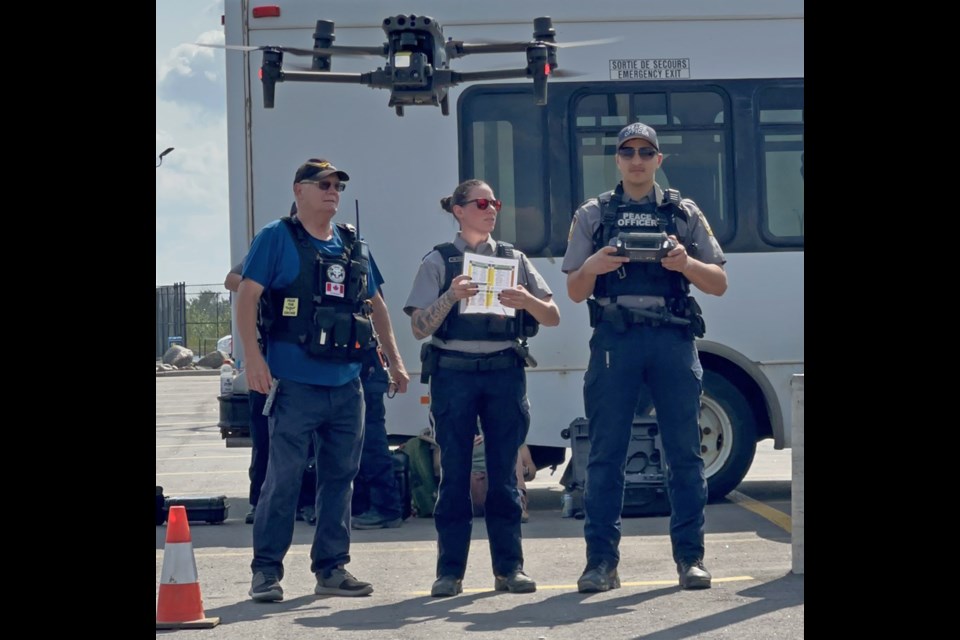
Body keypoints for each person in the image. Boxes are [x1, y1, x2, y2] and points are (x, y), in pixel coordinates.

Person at [561, 122, 728, 592]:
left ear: (659, 160)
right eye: (628, 152)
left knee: (685, 456)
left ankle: (690, 560)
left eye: (645, 152)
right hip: (616, 342)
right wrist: (593, 266)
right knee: (606, 456)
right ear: (617, 159)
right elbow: (574, 292)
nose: (636, 160)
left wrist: (684, 264)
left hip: (673, 341)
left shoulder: (683, 211)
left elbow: (718, 282)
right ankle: (600, 564)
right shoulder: (594, 214)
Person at [237, 158, 410, 603]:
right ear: (299, 190)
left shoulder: (352, 244)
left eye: (337, 185)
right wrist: (253, 360)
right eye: (324, 184)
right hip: (295, 385)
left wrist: (394, 360)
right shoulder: (277, 237)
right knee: (285, 480)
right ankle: (266, 572)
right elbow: (247, 295)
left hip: (347, 385)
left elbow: (376, 304)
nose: (333, 191)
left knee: (341, 478)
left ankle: (332, 568)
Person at [403, 179, 560, 598]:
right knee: (453, 476)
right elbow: (419, 327)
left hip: (503, 371)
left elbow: (553, 315)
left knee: (505, 477)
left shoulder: (514, 258)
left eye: (495, 203)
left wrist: (527, 300)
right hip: (453, 373)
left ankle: (510, 570)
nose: (491, 209)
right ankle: (449, 573)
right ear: (458, 210)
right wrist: (450, 297)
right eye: (481, 203)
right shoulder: (439, 261)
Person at [224, 249, 318, 526]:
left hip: (313, 365)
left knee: (311, 443)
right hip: (271, 363)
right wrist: (269, 286)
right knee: (265, 437)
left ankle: (307, 502)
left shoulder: (329, 251)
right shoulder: (275, 247)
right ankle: (259, 502)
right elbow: (231, 279)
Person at [350, 315, 406, 530]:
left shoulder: (366, 280)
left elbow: (378, 307)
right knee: (353, 444)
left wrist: (395, 363)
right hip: (357, 366)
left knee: (371, 444)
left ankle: (386, 508)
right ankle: (362, 505)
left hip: (366, 368)